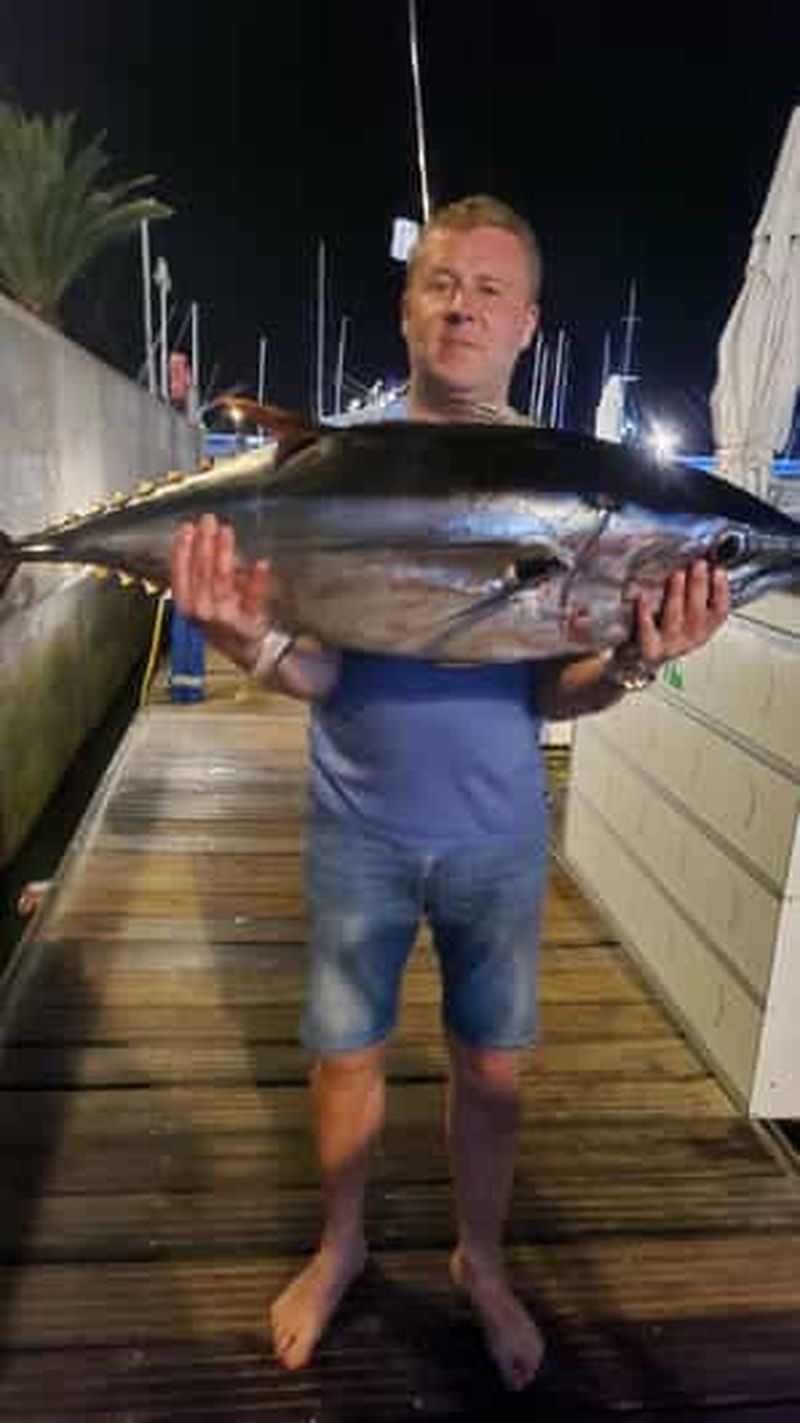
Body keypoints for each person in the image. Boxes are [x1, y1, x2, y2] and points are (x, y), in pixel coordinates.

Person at [170, 195, 729, 1391]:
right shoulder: (339, 458)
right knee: (345, 1054)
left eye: (488, 289)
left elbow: (554, 690)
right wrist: (238, 636)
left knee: (492, 1067)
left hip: (497, 834)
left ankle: (479, 1256)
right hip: (357, 823)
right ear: (407, 306)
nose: (462, 306)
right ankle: (341, 1244)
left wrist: (635, 659)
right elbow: (323, 671)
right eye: (441, 282)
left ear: (526, 323)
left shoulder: (567, 484)